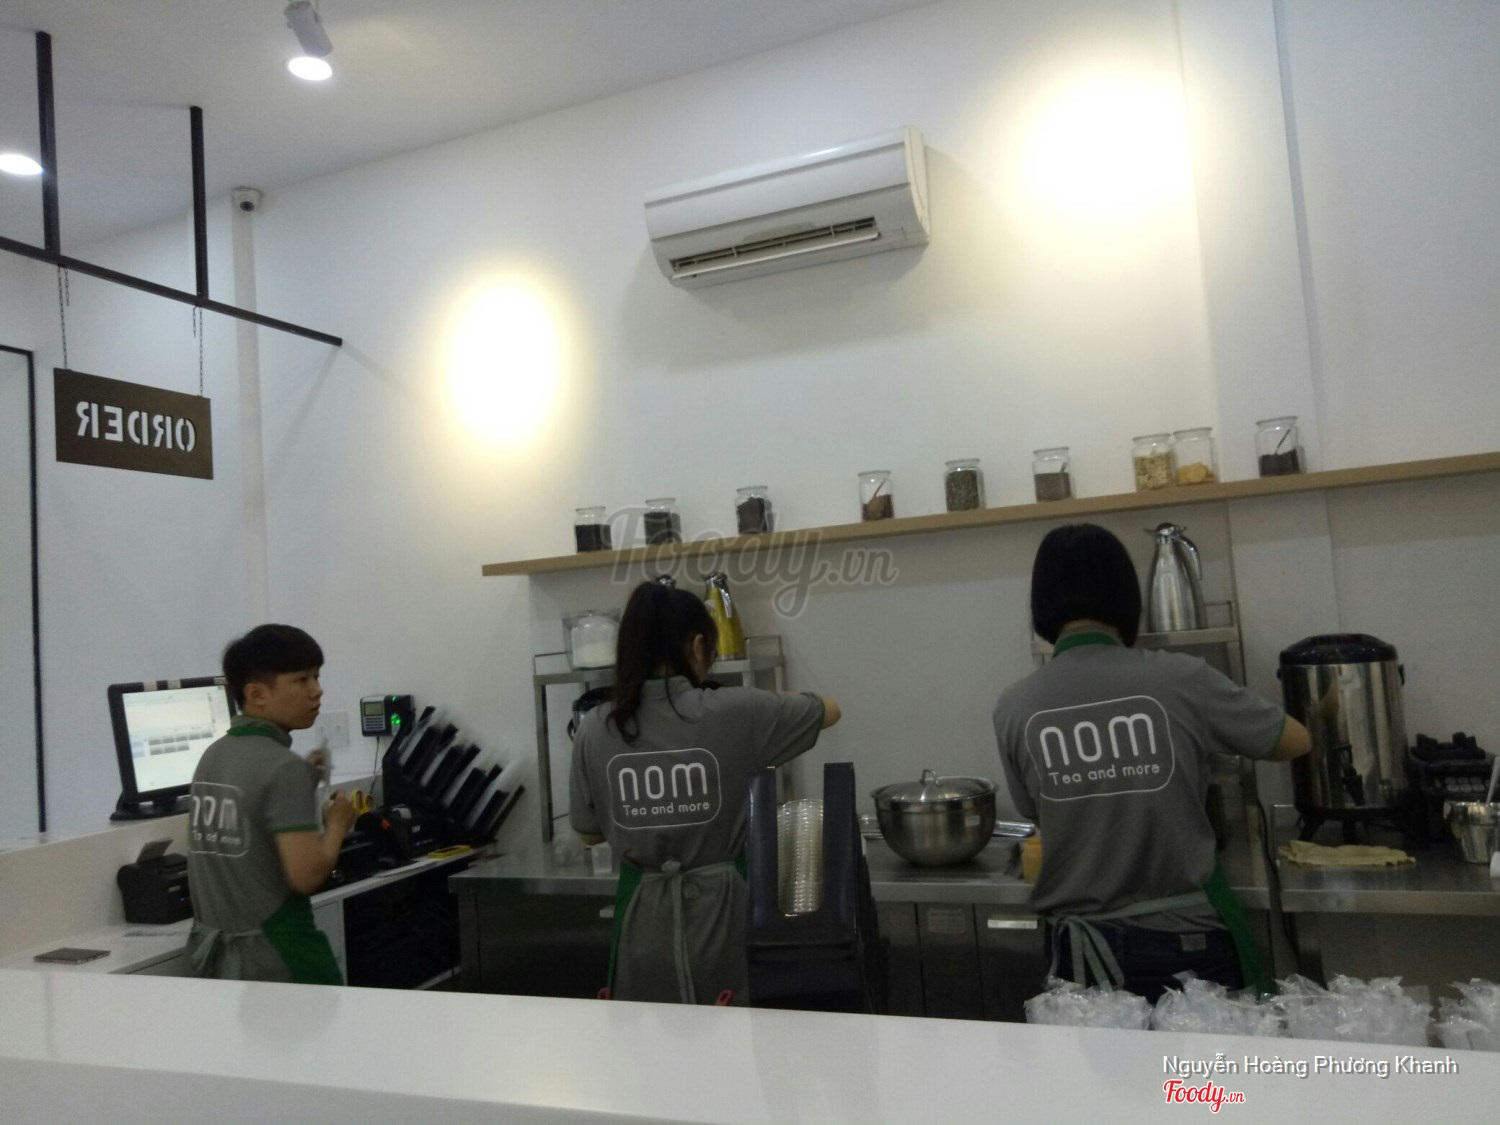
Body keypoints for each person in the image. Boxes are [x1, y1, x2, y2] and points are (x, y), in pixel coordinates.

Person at [992, 524, 1310, 1001]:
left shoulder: (1015, 705)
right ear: (1127, 598)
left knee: (1095, 1057)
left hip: (1081, 955)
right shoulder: (1181, 678)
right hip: (1186, 942)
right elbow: (1294, 741)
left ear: (1041, 604)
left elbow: (1034, 810)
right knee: (1202, 1056)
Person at [569, 581, 841, 1005]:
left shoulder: (595, 726)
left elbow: (589, 833)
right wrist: (762, 702)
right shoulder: (736, 710)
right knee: (729, 1036)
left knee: (648, 1037)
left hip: (642, 927)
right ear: (697, 647)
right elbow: (829, 709)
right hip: (723, 921)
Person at [185, 624, 355, 984]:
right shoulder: (282, 768)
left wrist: (303, 783)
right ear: (256, 694)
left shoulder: (212, 756)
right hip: (282, 959)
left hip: (216, 962)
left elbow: (248, 826)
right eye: (301, 680)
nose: (317, 690)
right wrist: (338, 824)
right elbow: (307, 876)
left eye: (317, 676)